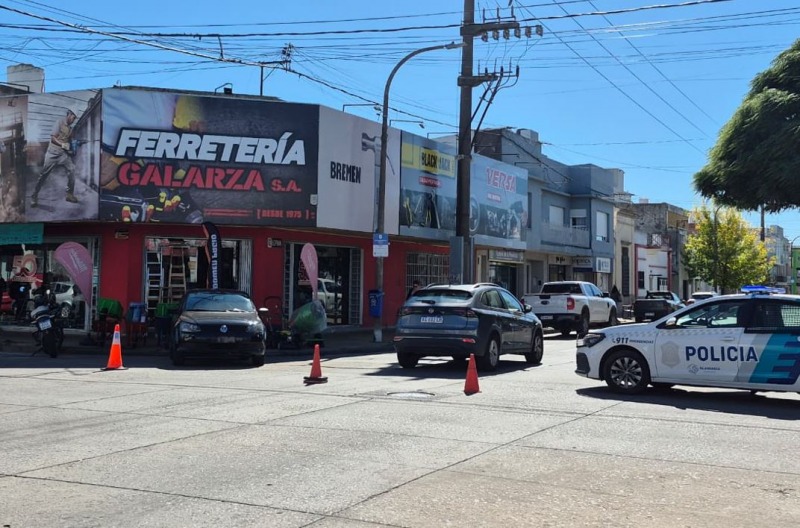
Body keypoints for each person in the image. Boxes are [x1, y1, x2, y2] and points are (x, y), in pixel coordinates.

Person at [31, 108, 78, 207]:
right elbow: (53, 138)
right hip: (52, 154)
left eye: (75, 119)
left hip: (63, 155)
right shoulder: (59, 122)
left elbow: (69, 141)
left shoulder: (70, 128)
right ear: (69, 114)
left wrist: (72, 146)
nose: (74, 120)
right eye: (73, 117)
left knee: (72, 169)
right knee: (43, 175)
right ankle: (34, 196)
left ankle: (69, 194)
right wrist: (63, 145)